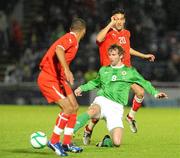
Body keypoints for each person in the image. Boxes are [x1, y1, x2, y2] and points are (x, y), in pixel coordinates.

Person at [83, 8, 156, 144]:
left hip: (125, 72)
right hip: (110, 75)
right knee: (104, 108)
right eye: (116, 19)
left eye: (121, 19)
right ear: (112, 19)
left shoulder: (126, 33)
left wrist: (144, 55)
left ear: (124, 20)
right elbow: (98, 39)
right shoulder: (107, 33)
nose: (119, 21)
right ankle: (88, 129)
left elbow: (127, 49)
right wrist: (110, 24)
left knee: (140, 92)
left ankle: (130, 117)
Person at [74, 44, 167, 147]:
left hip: (117, 108)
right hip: (102, 101)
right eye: (109, 55)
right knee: (92, 111)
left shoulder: (130, 72)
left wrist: (156, 93)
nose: (111, 57)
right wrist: (82, 88)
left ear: (121, 56)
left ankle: (105, 142)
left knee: (117, 143)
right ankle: (68, 135)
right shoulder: (104, 70)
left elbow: (144, 83)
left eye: (114, 55)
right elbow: (95, 83)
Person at [37, 18, 86, 156]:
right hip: (49, 78)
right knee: (68, 108)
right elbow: (59, 49)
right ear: (83, 31)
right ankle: (54, 141)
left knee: (74, 107)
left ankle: (67, 143)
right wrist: (67, 69)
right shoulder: (71, 38)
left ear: (71, 28)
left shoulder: (72, 39)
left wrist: (64, 73)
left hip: (59, 79)